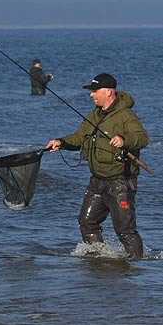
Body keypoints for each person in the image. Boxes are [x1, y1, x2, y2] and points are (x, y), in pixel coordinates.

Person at [46, 73, 149, 260]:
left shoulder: (126, 115)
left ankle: (136, 264)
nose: (91, 95)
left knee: (124, 229)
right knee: (87, 222)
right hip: (97, 182)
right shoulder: (94, 115)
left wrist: (124, 140)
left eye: (95, 91)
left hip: (120, 183)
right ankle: (97, 258)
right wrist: (61, 142)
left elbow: (142, 138)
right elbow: (78, 138)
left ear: (108, 92)